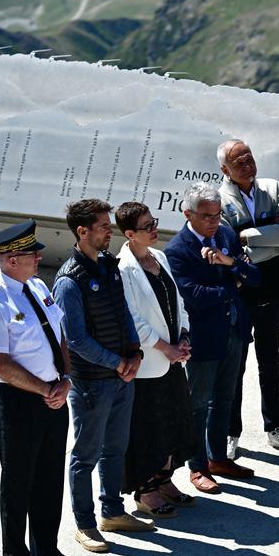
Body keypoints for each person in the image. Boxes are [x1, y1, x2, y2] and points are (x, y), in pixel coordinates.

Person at [0, 220, 84, 556]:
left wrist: (64, 380)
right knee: (18, 479)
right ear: (10, 260)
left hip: (54, 394)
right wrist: (45, 390)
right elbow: (2, 365)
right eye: (30, 254)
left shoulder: (37, 286)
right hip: (18, 400)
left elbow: (59, 336)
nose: (38, 257)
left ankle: (46, 550)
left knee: (49, 475)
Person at [54, 200, 154, 554]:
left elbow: (124, 312)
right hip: (92, 384)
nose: (109, 231)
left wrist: (135, 354)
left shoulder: (109, 266)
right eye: (102, 226)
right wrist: (117, 363)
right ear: (82, 231)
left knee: (115, 449)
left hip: (121, 376)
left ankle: (112, 512)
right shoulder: (68, 281)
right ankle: (85, 524)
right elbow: (76, 340)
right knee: (86, 456)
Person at [165, 181, 261, 494]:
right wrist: (231, 287)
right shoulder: (177, 251)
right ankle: (197, 466)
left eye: (217, 214)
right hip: (204, 337)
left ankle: (218, 458)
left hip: (234, 331)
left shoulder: (226, 236)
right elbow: (192, 296)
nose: (213, 221)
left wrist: (229, 262)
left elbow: (254, 277)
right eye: (206, 216)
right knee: (198, 403)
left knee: (225, 399)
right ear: (187, 214)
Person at [217, 139, 279, 459]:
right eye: (238, 162)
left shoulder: (272, 188)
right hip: (239, 289)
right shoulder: (218, 200)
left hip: (272, 284)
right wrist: (269, 233)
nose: (246, 164)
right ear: (225, 169)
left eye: (249, 157)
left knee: (270, 361)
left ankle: (275, 427)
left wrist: (248, 233)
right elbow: (228, 246)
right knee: (235, 364)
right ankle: (230, 431)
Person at [115, 202, 196, 518]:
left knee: (173, 424)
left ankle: (165, 481)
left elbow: (177, 302)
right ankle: (146, 491)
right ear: (129, 234)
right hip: (149, 364)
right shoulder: (123, 269)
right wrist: (165, 348)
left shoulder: (159, 257)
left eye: (154, 222)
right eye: (147, 226)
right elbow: (132, 319)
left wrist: (183, 336)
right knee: (149, 428)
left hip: (172, 360)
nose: (154, 229)